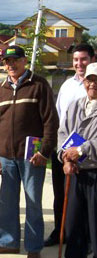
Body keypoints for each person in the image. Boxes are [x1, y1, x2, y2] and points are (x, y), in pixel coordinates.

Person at [0, 45, 59, 258]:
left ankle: (33, 246)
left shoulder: (39, 85)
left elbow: (50, 121)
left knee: (33, 201)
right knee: (7, 201)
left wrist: (44, 151)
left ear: (24, 61)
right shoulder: (0, 90)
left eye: (15, 60)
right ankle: (8, 242)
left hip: (32, 156)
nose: (10, 65)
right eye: (7, 61)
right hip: (6, 156)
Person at [44, 44, 95, 247]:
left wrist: (79, 152)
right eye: (76, 59)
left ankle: (88, 241)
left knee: (87, 202)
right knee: (62, 196)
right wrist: (64, 153)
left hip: (88, 155)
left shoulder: (93, 83)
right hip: (65, 151)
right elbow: (60, 121)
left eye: (83, 59)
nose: (79, 63)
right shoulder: (66, 85)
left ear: (92, 59)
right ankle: (61, 231)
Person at [57, 62, 97, 258]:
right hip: (74, 170)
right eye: (90, 80)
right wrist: (65, 157)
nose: (93, 84)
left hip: (94, 170)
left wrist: (81, 150)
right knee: (72, 218)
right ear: (84, 81)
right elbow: (63, 133)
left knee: (95, 220)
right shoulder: (75, 105)